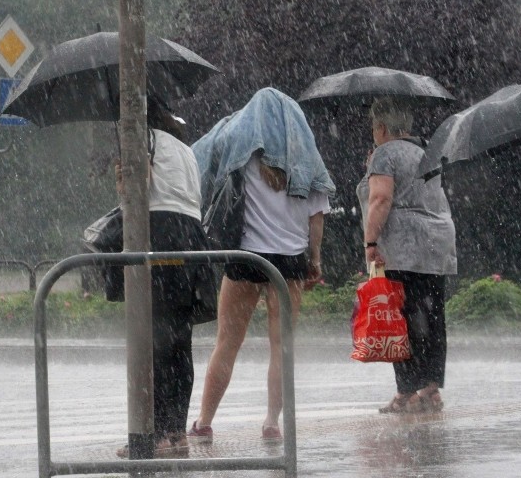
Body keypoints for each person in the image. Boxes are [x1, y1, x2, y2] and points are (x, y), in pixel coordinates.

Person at [188, 88, 335, 442]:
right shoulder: (308, 161)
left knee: (227, 341)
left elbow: (210, 163)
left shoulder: (242, 156)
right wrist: (314, 260)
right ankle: (271, 422)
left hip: (247, 257)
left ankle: (205, 421)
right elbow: (317, 218)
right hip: (291, 261)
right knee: (281, 346)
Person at [110, 95, 214, 457]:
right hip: (191, 239)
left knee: (153, 340)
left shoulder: (144, 140)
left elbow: (139, 192)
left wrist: (124, 182)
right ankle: (175, 430)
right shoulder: (184, 149)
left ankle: (152, 434)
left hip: (160, 233)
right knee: (179, 341)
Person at [357, 96, 457, 414]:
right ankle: (430, 388)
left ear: (382, 128)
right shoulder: (427, 150)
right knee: (431, 315)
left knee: (402, 319)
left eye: (374, 127)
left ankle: (405, 391)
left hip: (404, 245)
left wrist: (370, 242)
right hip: (437, 242)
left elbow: (381, 199)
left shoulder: (385, 153)